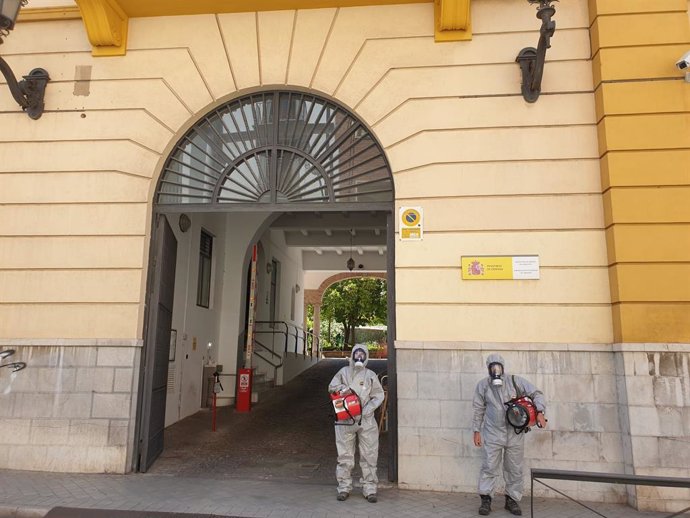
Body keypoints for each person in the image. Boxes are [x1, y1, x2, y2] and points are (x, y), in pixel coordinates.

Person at [472, 354, 547, 516]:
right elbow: (478, 409)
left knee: (514, 468)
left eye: (498, 366)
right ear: (488, 368)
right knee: (489, 466)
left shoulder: (516, 381)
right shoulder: (483, 386)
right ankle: (486, 499)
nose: (495, 370)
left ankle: (512, 500)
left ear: (503, 366)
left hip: (514, 433)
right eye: (492, 367)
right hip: (492, 433)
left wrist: (540, 411)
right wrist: (476, 431)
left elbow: (537, 393)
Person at [328, 344, 385, 503]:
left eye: (362, 355)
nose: (359, 357)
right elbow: (331, 387)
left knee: (369, 454)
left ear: (366, 357)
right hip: (345, 419)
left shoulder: (370, 375)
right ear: (352, 355)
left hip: (366, 420)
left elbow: (378, 395)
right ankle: (344, 487)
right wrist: (344, 389)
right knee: (345, 455)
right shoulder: (343, 372)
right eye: (356, 354)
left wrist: (367, 410)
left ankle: (370, 488)